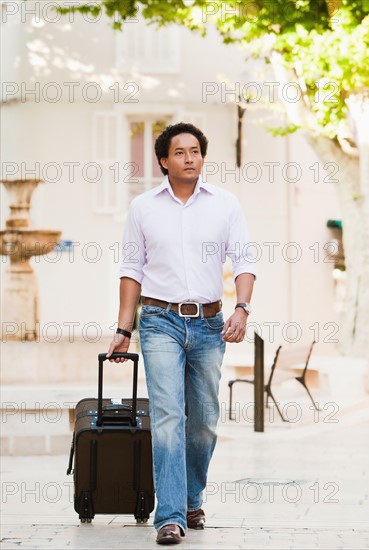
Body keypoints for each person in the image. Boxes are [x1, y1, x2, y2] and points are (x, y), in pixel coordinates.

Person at [107, 122, 256, 545]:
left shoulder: (225, 204)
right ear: (163, 161)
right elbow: (131, 270)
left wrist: (242, 309)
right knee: (169, 417)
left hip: (209, 324)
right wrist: (123, 327)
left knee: (204, 420)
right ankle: (169, 516)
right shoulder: (143, 208)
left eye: (196, 151)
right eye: (180, 152)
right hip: (159, 321)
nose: (190, 158)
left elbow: (244, 260)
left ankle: (192, 497)